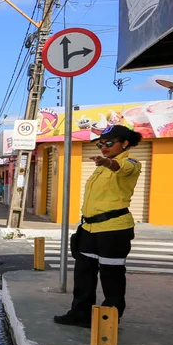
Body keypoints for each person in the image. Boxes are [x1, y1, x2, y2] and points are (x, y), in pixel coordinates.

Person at [54, 125, 143, 328]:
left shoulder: (130, 162)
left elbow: (123, 168)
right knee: (83, 273)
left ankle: (108, 319)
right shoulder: (101, 167)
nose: (104, 147)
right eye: (101, 144)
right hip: (89, 229)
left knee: (111, 276)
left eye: (109, 143)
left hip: (113, 229)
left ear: (125, 143)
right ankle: (80, 314)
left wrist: (109, 163)